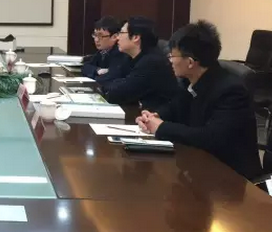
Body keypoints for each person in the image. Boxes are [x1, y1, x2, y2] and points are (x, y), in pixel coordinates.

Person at [136, 20, 263, 180]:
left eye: (172, 56)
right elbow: (174, 108)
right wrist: (154, 116)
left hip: (232, 179)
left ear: (190, 62)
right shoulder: (191, 81)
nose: (170, 61)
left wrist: (161, 127)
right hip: (199, 167)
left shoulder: (231, 91)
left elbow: (210, 137)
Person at [101, 16, 178, 111]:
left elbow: (116, 94)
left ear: (136, 37)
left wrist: (116, 84)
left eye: (121, 33)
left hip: (157, 116)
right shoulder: (130, 57)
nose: (117, 37)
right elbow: (108, 79)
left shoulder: (152, 62)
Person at [82, 16, 130, 83]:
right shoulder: (102, 51)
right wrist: (97, 70)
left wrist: (95, 76)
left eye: (100, 36)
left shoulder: (121, 52)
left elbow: (110, 78)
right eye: (95, 35)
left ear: (114, 37)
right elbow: (85, 67)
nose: (96, 40)